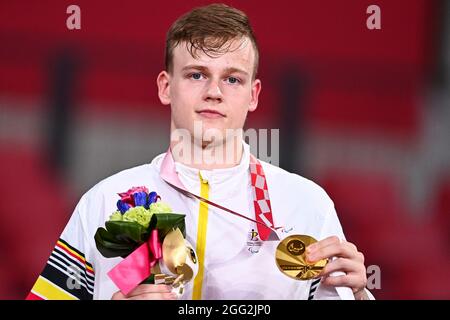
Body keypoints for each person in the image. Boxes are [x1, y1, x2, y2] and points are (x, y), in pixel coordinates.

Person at [26, 3, 373, 300]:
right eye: (196, 75)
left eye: (232, 79)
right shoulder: (102, 202)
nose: (214, 92)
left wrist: (360, 294)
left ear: (253, 95)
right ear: (165, 87)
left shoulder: (307, 205)